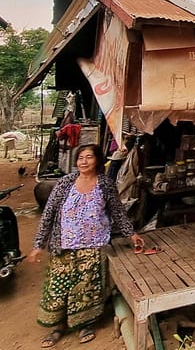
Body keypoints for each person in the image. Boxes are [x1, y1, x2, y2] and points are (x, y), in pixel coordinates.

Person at [28, 143, 144, 347]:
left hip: (93, 247)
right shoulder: (65, 183)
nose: (83, 161)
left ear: (98, 160)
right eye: (80, 158)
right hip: (63, 245)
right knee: (60, 288)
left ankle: (84, 325)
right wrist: (38, 244)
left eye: (88, 157)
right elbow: (48, 215)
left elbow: (117, 212)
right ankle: (58, 327)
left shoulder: (105, 184)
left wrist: (132, 235)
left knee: (86, 289)